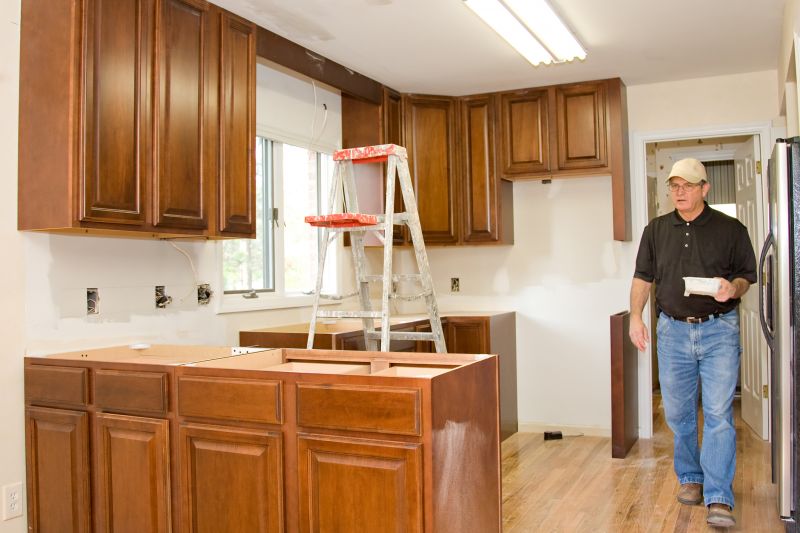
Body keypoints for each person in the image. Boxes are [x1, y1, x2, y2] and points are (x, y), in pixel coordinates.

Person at [628, 157, 757, 529]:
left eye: (687, 185)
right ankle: (691, 478)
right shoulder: (655, 230)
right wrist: (635, 316)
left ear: (705, 188)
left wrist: (733, 288)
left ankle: (719, 495)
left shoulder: (731, 229)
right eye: (674, 186)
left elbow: (746, 277)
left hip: (719, 330)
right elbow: (642, 277)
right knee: (678, 415)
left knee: (717, 414)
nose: (679, 192)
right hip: (672, 331)